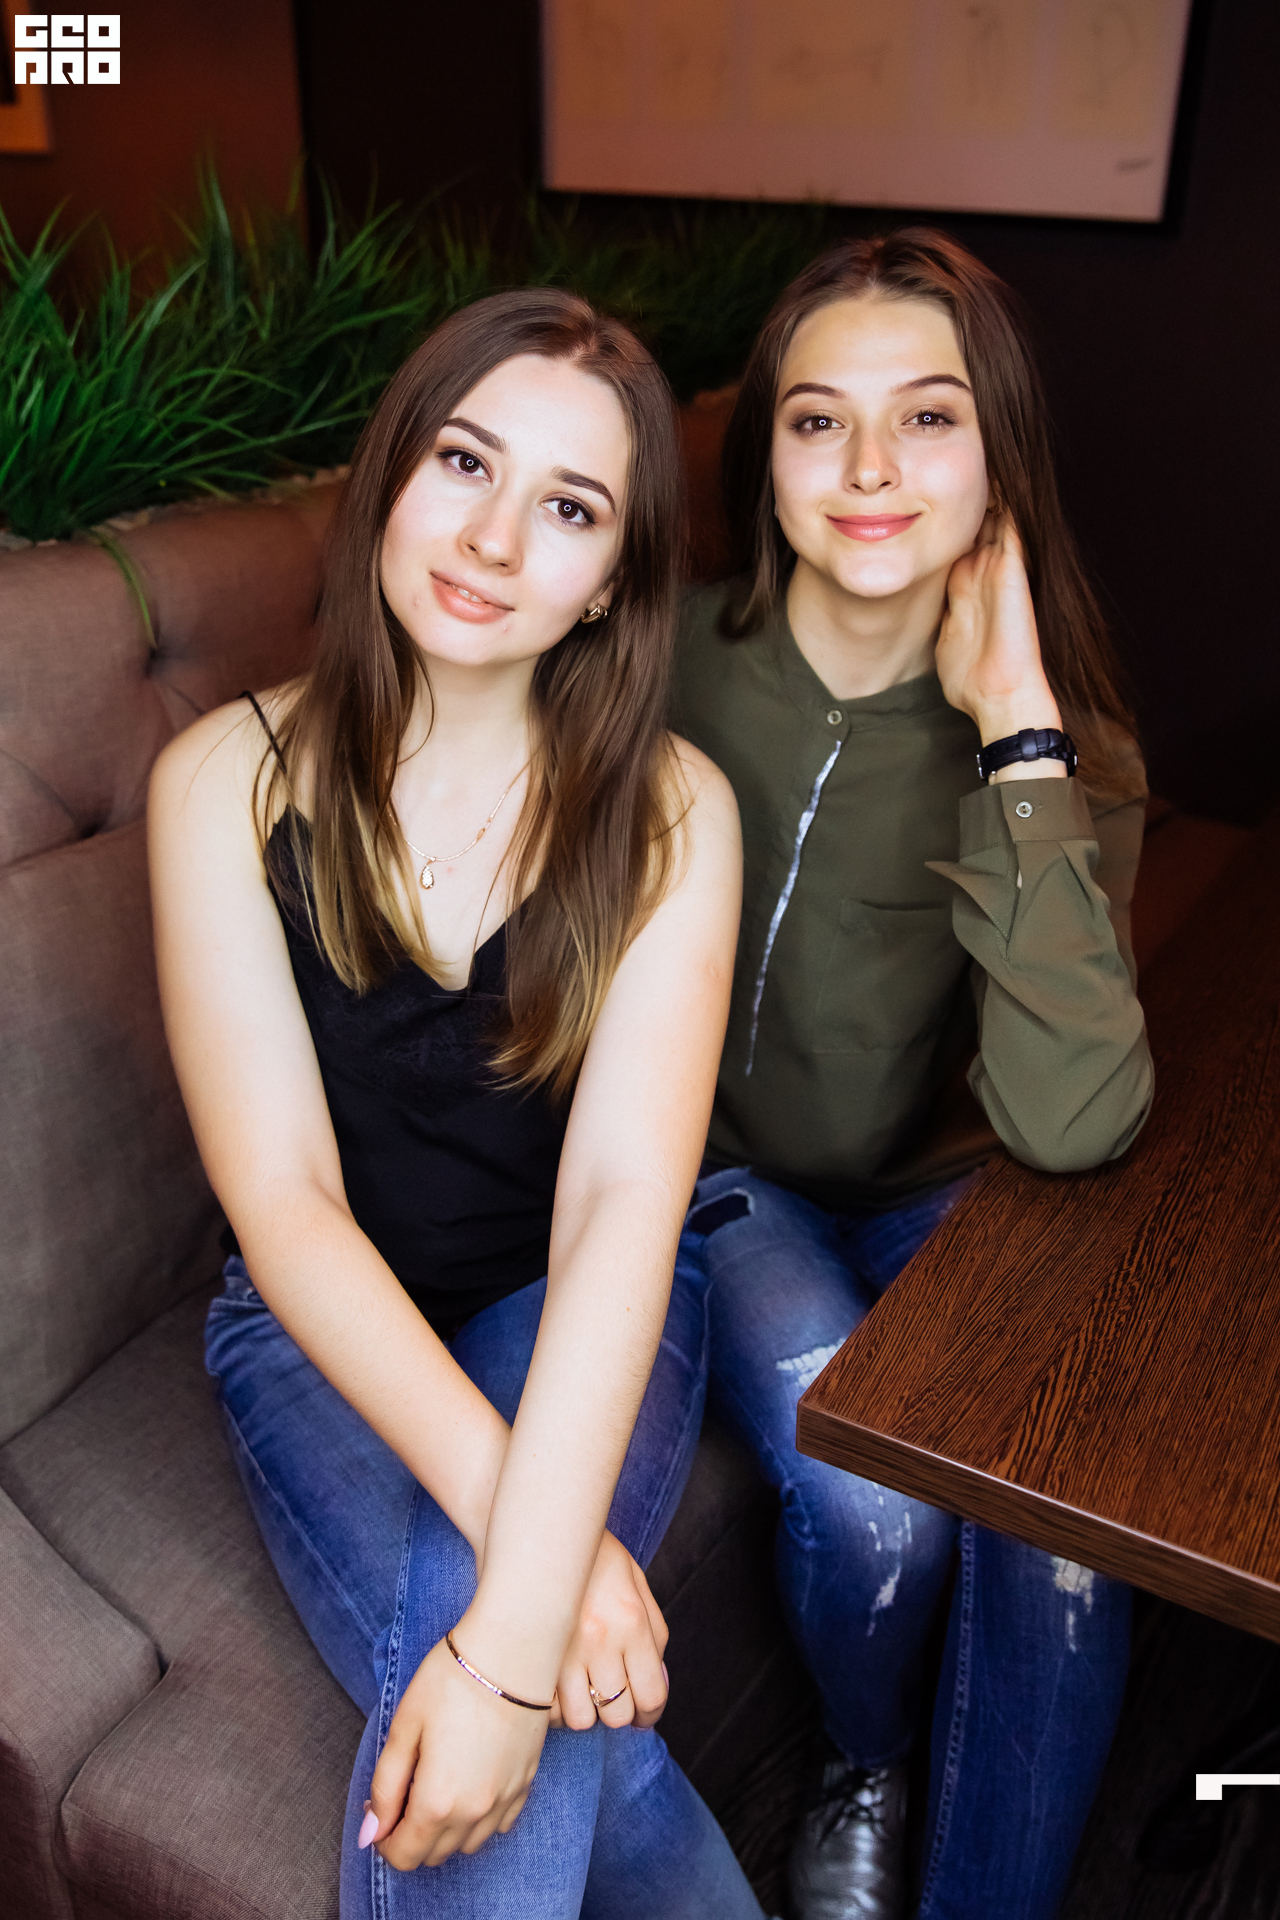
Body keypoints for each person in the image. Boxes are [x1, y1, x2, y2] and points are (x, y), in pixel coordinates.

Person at [148, 288, 763, 1919]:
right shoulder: (221, 783)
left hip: (573, 1297)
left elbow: (622, 1201)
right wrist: (542, 1575)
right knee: (580, 1727)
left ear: (614, 578)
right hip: (306, 1323)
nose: (493, 537)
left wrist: (504, 1655)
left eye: (569, 508)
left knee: (500, 1688)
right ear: (392, 472)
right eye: (465, 462)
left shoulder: (673, 811)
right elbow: (284, 1198)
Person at [673, 229, 1154, 1920]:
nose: (870, 468)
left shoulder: (1065, 747)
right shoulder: (656, 659)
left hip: (940, 1194)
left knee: (1065, 1523)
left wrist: (1015, 723)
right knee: (876, 1509)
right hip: (720, 1183)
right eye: (820, 420)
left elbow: (1071, 1122)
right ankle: (863, 1757)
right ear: (768, 455)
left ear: (999, 459)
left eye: (929, 417)